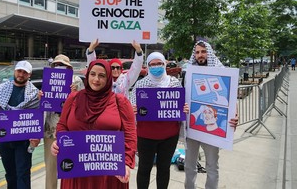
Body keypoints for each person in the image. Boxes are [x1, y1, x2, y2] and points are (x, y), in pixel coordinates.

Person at [51, 59, 137, 189]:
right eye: (92, 74)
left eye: (102, 76)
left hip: (109, 174)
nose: (96, 79)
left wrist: (126, 163)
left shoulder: (120, 101)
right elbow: (62, 125)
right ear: (87, 75)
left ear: (108, 78)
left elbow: (130, 134)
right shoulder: (73, 98)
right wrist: (59, 143)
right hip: (77, 170)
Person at [129, 52, 189, 189]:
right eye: (153, 64)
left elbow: (181, 104)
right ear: (148, 66)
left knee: (164, 169)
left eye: (159, 63)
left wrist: (184, 108)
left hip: (169, 136)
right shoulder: (141, 84)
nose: (156, 67)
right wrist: (133, 110)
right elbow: (132, 106)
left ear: (164, 64)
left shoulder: (174, 83)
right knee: (144, 168)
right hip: (145, 136)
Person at [184, 40, 238, 189]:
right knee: (189, 166)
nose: (200, 55)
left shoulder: (221, 72)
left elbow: (231, 99)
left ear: (209, 52)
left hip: (212, 133)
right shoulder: (188, 74)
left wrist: (235, 115)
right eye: (197, 52)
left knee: (212, 168)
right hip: (192, 129)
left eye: (203, 51)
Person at [0, 60, 40, 189]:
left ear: (29, 75)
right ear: (15, 71)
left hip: (24, 142)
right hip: (5, 140)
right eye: (19, 71)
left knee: (23, 174)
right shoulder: (1, 89)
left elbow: (38, 114)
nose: (21, 74)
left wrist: (36, 137)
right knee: (10, 174)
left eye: (24, 73)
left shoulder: (35, 94)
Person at [42, 54, 84, 189]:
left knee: (71, 166)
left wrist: (74, 94)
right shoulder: (48, 79)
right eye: (57, 64)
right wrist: (41, 96)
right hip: (50, 130)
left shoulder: (76, 80)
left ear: (68, 67)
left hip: (70, 130)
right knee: (51, 167)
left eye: (62, 65)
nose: (59, 67)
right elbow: (44, 103)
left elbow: (84, 103)